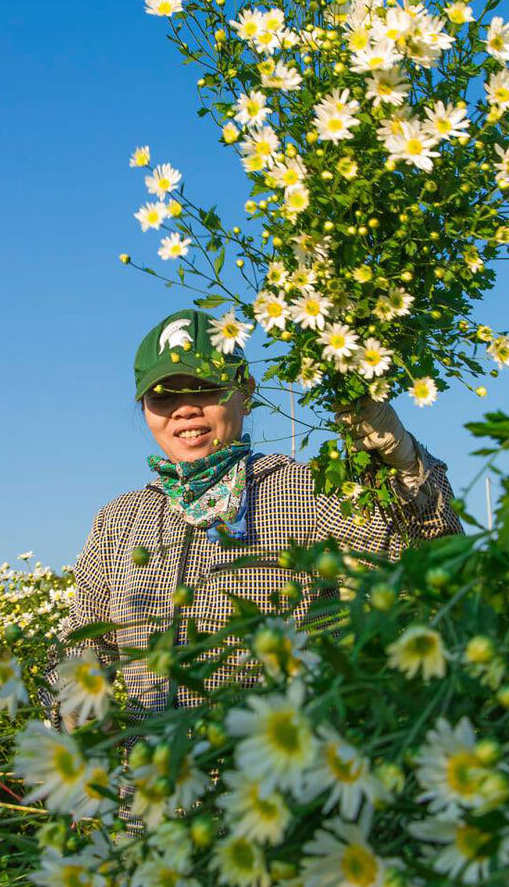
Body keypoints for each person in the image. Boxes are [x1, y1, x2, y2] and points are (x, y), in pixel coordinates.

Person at [50, 307, 462, 729]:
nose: (185, 409)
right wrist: (72, 705)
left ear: (246, 390)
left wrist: (405, 461)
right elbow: (81, 640)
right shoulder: (119, 522)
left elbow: (426, 568)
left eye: (205, 387)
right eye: (163, 396)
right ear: (144, 408)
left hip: (282, 775)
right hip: (152, 786)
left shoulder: (306, 490)